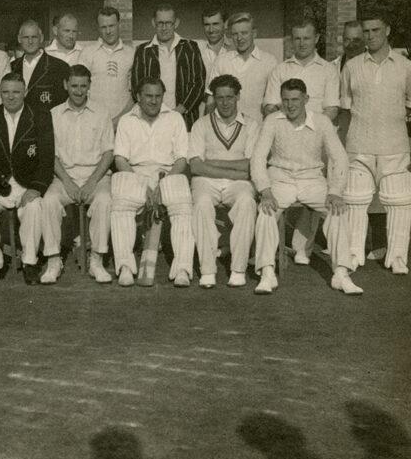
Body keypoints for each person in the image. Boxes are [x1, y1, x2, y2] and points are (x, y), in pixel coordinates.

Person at [251, 78, 361, 295]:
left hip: (312, 180)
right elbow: (257, 158)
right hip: (280, 179)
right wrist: (265, 190)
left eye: (295, 100)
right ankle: (266, 272)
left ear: (306, 99)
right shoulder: (273, 120)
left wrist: (335, 192)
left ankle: (341, 273)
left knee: (337, 210)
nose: (290, 105)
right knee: (265, 212)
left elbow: (340, 158)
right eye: (285, 100)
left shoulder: (321, 122)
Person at [262, 18, 341, 265]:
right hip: (286, 137)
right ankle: (275, 250)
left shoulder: (328, 69)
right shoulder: (281, 69)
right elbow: (269, 105)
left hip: (318, 139)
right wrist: (286, 123)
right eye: (297, 38)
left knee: (316, 192)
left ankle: (302, 247)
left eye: (307, 38)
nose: (302, 43)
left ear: (316, 39)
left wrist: (312, 129)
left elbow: (332, 108)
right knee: (286, 191)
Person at [341, 11, 411, 276]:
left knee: (400, 201)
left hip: (395, 146)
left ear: (388, 30)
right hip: (359, 145)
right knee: (355, 200)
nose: (370, 36)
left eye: (375, 31)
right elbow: (346, 107)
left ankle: (397, 257)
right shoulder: (352, 66)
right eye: (366, 32)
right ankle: (354, 253)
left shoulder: (405, 67)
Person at [111, 77, 194, 288]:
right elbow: (120, 159)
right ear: (138, 97)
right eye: (148, 96)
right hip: (135, 173)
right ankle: (125, 267)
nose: (153, 101)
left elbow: (181, 159)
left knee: (182, 204)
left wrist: (162, 184)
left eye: (158, 96)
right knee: (121, 203)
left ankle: (183, 268)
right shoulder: (126, 121)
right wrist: (141, 184)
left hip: (168, 173)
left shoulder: (175, 118)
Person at [0, 72, 54, 286]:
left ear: (25, 92)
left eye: (16, 92)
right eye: (6, 92)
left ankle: (30, 263)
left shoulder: (40, 116)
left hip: (27, 184)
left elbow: (46, 159)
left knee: (35, 207)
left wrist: (36, 188)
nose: (11, 97)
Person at [41, 65, 114, 284]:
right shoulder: (53, 114)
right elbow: (51, 156)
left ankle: (96, 260)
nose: (79, 91)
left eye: (83, 86)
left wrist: (92, 182)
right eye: (74, 86)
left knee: (103, 200)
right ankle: (53, 260)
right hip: (64, 176)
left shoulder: (102, 113)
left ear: (89, 86)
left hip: (96, 175)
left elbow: (108, 153)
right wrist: (68, 182)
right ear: (65, 85)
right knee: (50, 200)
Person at [189, 74, 258, 288]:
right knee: (201, 204)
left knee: (247, 202)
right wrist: (235, 169)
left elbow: (251, 166)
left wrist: (213, 163)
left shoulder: (251, 125)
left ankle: (238, 269)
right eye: (220, 98)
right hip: (206, 181)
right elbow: (196, 166)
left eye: (230, 97)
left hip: (236, 183)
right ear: (214, 99)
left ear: (238, 96)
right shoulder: (201, 124)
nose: (225, 102)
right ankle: (207, 270)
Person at [132, 4, 205, 129]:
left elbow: (198, 84)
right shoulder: (143, 51)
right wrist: (154, 112)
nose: (164, 28)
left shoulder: (190, 48)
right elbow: (137, 86)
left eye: (168, 23)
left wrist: (179, 111)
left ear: (176, 23)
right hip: (151, 121)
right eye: (160, 23)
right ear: (153, 23)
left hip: (185, 120)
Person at [207, 12, 277, 124]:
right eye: (235, 34)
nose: (239, 38)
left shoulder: (269, 61)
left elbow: (272, 104)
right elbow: (211, 99)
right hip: (226, 131)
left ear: (254, 33)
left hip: (257, 130)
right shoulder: (221, 61)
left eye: (244, 33)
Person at [79, 6, 135, 127]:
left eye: (112, 26)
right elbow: (80, 90)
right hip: (94, 123)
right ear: (98, 28)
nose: (108, 31)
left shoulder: (131, 53)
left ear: (119, 24)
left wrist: (120, 120)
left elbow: (135, 93)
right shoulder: (87, 53)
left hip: (124, 123)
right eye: (104, 27)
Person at [10, 19, 69, 111]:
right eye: (26, 37)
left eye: (34, 37)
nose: (30, 41)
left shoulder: (59, 67)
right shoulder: (11, 67)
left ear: (41, 38)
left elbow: (64, 103)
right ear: (19, 39)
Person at [197, 8, 232, 76]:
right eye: (207, 25)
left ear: (225, 24)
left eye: (215, 24)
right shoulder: (196, 50)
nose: (211, 30)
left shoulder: (237, 48)